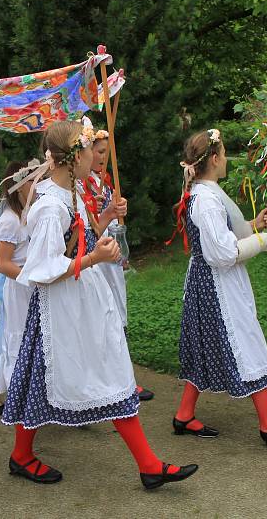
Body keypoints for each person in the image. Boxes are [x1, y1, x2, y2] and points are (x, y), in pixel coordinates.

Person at [1, 118, 198, 490]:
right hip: (60, 307)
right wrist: (92, 259)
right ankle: (23, 455)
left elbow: (80, 240)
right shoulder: (50, 206)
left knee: (107, 373)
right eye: (90, 147)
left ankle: (149, 465)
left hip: (81, 299)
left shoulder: (69, 192)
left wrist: (103, 231)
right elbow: (42, 267)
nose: (96, 154)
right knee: (46, 378)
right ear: (73, 157)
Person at [172, 128, 267, 446]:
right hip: (215, 287)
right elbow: (221, 253)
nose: (227, 159)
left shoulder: (206, 194)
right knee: (246, 343)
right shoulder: (206, 200)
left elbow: (221, 234)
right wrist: (261, 241)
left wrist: (251, 226)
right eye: (224, 154)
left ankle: (184, 415)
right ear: (216, 158)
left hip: (208, 284)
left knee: (205, 347)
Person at [84, 128, 154, 401]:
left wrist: (118, 210)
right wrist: (104, 211)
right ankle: (114, 379)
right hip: (96, 260)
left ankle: (122, 376)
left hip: (111, 257)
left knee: (117, 312)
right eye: (99, 152)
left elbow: (110, 220)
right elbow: (89, 227)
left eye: (106, 152)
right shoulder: (81, 186)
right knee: (105, 315)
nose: (103, 157)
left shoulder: (104, 180)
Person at [0, 160, 39, 415]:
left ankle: (16, 391)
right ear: (22, 186)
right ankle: (9, 394)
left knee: (30, 340)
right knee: (15, 339)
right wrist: (35, 277)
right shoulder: (10, 221)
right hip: (19, 288)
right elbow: (2, 264)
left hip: (32, 286)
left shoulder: (31, 214)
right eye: (36, 181)